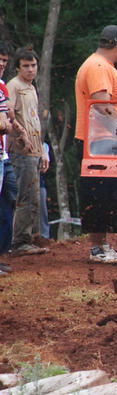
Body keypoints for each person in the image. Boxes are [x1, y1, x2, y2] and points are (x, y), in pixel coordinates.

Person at [74, 25, 117, 264]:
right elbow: (101, 105)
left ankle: (102, 245)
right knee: (100, 193)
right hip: (100, 141)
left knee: (107, 193)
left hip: (103, 140)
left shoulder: (101, 65)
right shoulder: (98, 67)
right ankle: (98, 247)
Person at [7, 48, 49, 256]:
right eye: (26, 65)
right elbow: (9, 114)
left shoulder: (31, 88)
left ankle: (29, 237)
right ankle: (19, 241)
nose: (30, 69)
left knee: (34, 196)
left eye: (33, 65)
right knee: (25, 195)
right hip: (20, 150)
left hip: (34, 149)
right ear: (17, 67)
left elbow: (35, 120)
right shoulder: (13, 86)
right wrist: (21, 135)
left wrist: (43, 152)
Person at [0, 41, 14, 272]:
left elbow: (8, 119)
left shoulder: (2, 86)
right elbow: (4, 122)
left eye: (4, 60)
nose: (2, 64)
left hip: (3, 154)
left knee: (8, 199)